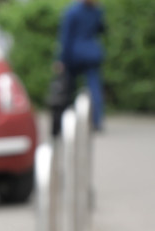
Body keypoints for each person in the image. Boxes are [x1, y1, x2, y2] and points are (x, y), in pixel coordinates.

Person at [56, 0, 106, 132]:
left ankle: (65, 120)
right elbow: (101, 29)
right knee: (94, 87)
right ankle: (96, 121)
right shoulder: (97, 10)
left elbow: (65, 38)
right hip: (92, 52)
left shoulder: (72, 11)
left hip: (75, 54)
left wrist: (61, 59)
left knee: (68, 88)